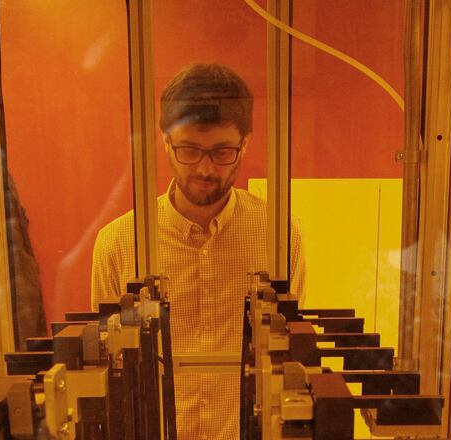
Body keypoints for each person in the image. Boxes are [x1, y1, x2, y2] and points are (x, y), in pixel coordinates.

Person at [91, 63, 305, 440]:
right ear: (165, 141)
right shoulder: (119, 242)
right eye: (189, 150)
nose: (205, 169)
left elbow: (290, 357)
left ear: (245, 144)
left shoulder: (279, 235)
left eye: (222, 152)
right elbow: (105, 371)